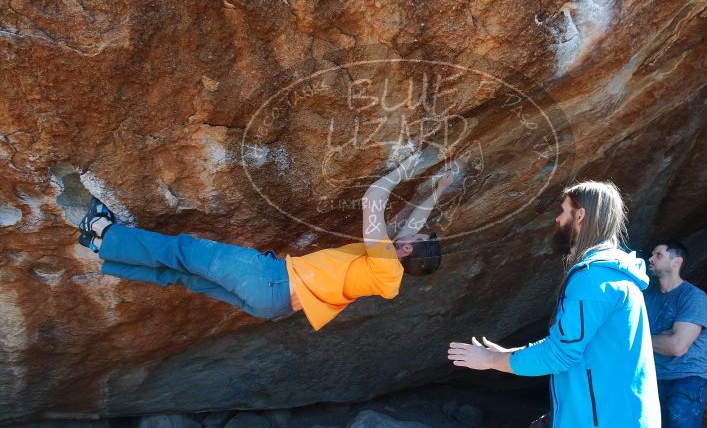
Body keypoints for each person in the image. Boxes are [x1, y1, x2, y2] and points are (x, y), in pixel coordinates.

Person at [448, 181, 669, 428]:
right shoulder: (611, 274)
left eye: (563, 211)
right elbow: (570, 345)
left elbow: (560, 354)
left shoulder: (593, 280)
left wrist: (492, 361)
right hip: (591, 407)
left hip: (615, 421)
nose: (557, 219)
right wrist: (508, 352)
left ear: (580, 216)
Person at [76, 146, 451, 330]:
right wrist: (436, 192)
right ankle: (105, 254)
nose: (411, 230)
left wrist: (404, 168)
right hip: (272, 305)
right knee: (182, 274)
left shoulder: (385, 262)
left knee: (186, 251)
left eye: (414, 237)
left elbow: (373, 199)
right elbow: (410, 230)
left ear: (405, 250)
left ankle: (103, 233)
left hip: (271, 279)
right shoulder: (389, 276)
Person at [645, 240, 707, 428]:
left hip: (684, 383)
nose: (651, 258)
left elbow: (677, 345)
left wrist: (640, 341)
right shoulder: (647, 298)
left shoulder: (693, 298)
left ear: (676, 262)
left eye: (658, 254)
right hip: (650, 383)